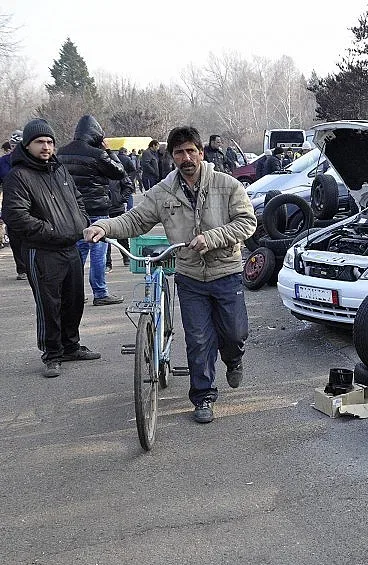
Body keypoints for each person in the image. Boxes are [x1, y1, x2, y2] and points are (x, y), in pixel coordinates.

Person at [83, 126, 256, 424]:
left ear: (201, 153)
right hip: (189, 275)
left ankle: (233, 358)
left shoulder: (227, 185)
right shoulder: (163, 192)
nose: (186, 157)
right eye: (179, 152)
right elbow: (136, 219)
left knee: (234, 334)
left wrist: (213, 237)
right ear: (172, 157)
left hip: (226, 271)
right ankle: (203, 397)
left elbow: (247, 223)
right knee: (198, 339)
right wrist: (104, 227)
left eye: (191, 151)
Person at [1, 119, 101, 378]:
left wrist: (82, 222)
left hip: (71, 246)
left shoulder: (59, 170)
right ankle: (52, 353)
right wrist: (54, 232)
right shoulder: (18, 176)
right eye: (40, 142)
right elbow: (16, 216)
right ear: (27, 145)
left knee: (74, 300)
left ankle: (71, 346)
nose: (46, 147)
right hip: (41, 251)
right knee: (49, 304)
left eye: (49, 142)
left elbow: (77, 200)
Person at [57, 115, 127, 305]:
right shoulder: (97, 154)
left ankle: (73, 293)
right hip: (97, 209)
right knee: (98, 251)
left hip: (73, 211)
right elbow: (119, 172)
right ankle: (100, 292)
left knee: (78, 252)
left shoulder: (60, 153)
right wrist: (108, 151)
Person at [0, 130, 29, 279]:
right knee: (16, 239)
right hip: (11, 205)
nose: (15, 148)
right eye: (13, 145)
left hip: (31, 205)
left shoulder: (31, 160)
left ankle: (33, 266)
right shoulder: (3, 162)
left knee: (31, 237)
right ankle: (22, 269)